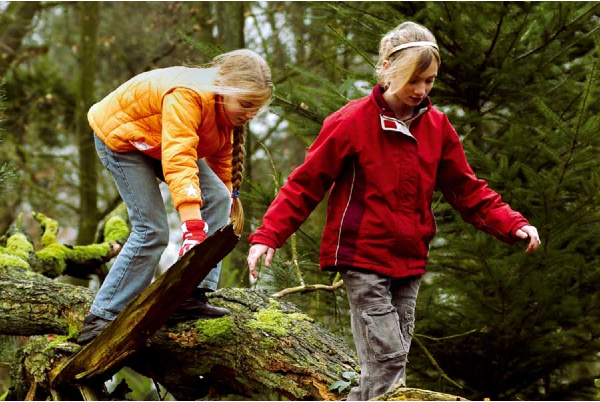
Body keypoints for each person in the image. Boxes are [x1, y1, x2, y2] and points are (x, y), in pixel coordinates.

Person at [247, 22, 540, 401]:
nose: (421, 90)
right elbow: (305, 184)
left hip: (410, 261)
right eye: (413, 80)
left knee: (387, 367)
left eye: (429, 81)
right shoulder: (351, 121)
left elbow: (467, 190)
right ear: (387, 68)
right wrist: (268, 235)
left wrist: (513, 224)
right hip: (363, 257)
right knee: (388, 359)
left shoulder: (437, 127)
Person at [77, 49, 274, 345]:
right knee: (152, 231)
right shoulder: (189, 95)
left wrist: (225, 202)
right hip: (122, 136)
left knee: (220, 198)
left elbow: (220, 165)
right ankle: (102, 316)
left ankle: (191, 294)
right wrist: (192, 227)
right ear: (224, 89)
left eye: (255, 109)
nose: (248, 115)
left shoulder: (226, 115)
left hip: (160, 140)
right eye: (245, 105)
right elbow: (179, 160)